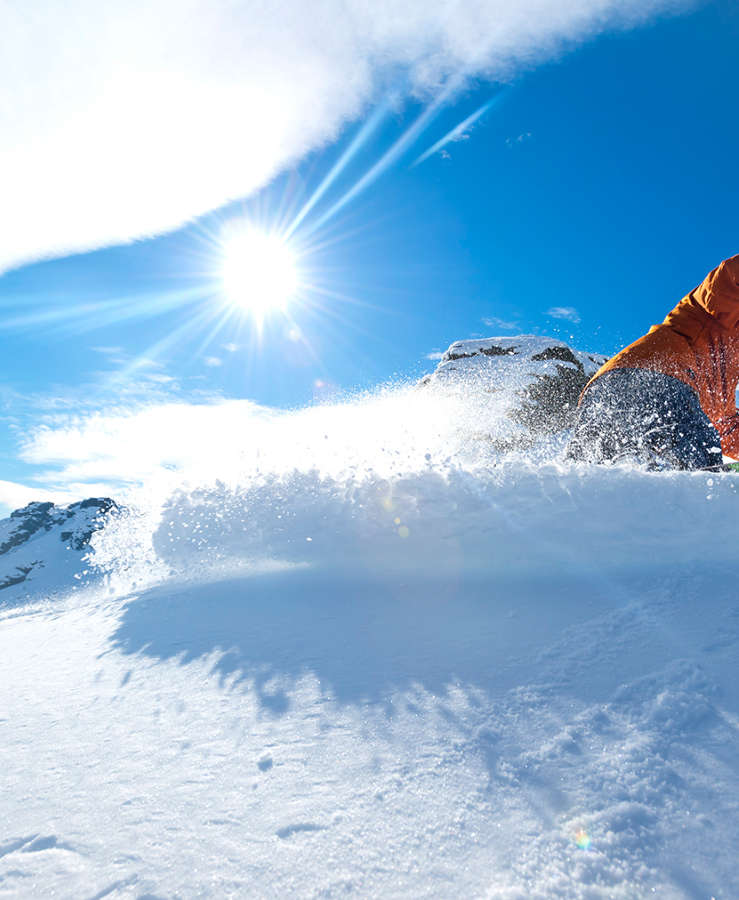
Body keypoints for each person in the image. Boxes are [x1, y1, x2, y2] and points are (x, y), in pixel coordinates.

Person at [567, 254, 739, 470]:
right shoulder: (720, 312)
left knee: (587, 486)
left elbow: (727, 428)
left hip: (602, 397)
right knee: (703, 482)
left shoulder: (724, 385)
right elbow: (730, 273)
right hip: (653, 379)